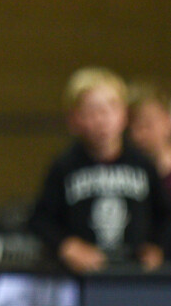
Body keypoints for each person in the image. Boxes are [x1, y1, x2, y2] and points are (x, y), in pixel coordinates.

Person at [29, 67, 170, 273]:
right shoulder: (64, 166)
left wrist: (158, 248)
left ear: (124, 115)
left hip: (134, 272)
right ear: (74, 119)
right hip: (82, 275)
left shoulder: (142, 164)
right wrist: (67, 246)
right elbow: (40, 219)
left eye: (110, 109)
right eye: (91, 112)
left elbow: (165, 215)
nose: (102, 120)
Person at [128, 80, 171, 195]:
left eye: (147, 124)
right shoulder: (126, 176)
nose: (139, 134)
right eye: (133, 126)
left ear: (167, 121)